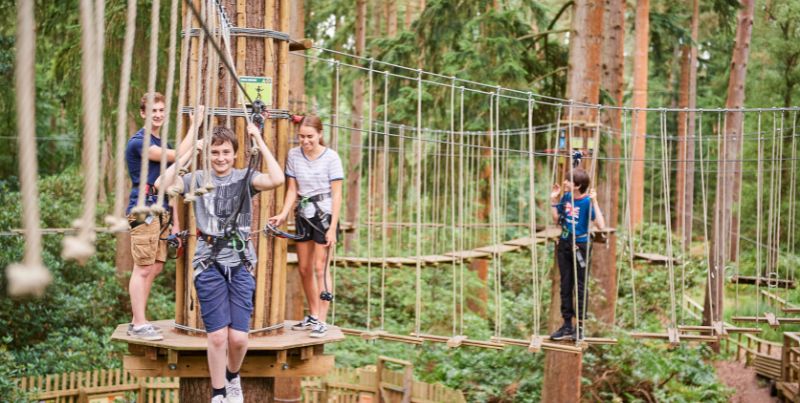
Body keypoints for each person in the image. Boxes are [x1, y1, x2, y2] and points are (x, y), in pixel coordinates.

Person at [156, 118, 283, 403]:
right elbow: (162, 184)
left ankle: (232, 375)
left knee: (238, 339)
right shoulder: (197, 179)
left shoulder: (244, 178)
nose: (220, 158)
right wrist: (192, 151)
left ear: (235, 154)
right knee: (216, 338)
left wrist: (258, 141)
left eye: (226, 152)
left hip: (240, 262)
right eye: (215, 152)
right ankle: (218, 394)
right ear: (208, 155)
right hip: (208, 261)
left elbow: (277, 178)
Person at [125, 93, 202, 341]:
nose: (157, 115)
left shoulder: (158, 140)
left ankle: (141, 320)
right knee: (142, 267)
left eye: (161, 110)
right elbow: (178, 154)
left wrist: (175, 225)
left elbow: (169, 185)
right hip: (143, 210)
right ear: (143, 114)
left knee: (155, 266)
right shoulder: (140, 142)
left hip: (161, 211)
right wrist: (196, 127)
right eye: (153, 111)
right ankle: (138, 323)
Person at [269, 115, 343, 339]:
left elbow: (337, 194)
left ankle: (322, 319)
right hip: (304, 214)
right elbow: (292, 189)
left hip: (325, 216)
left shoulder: (331, 158)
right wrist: (283, 213)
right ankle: (313, 313)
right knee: (304, 269)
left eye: (310, 136)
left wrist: (331, 228)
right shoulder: (294, 155)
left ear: (319, 135)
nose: (305, 141)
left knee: (321, 268)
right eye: (301, 136)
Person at [548, 168, 606, 341]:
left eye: (568, 181)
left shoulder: (587, 202)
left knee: (579, 286)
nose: (564, 182)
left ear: (578, 185)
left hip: (580, 245)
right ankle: (567, 325)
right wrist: (554, 200)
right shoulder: (566, 197)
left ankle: (579, 327)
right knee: (565, 286)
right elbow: (557, 220)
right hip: (565, 242)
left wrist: (595, 202)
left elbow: (601, 225)